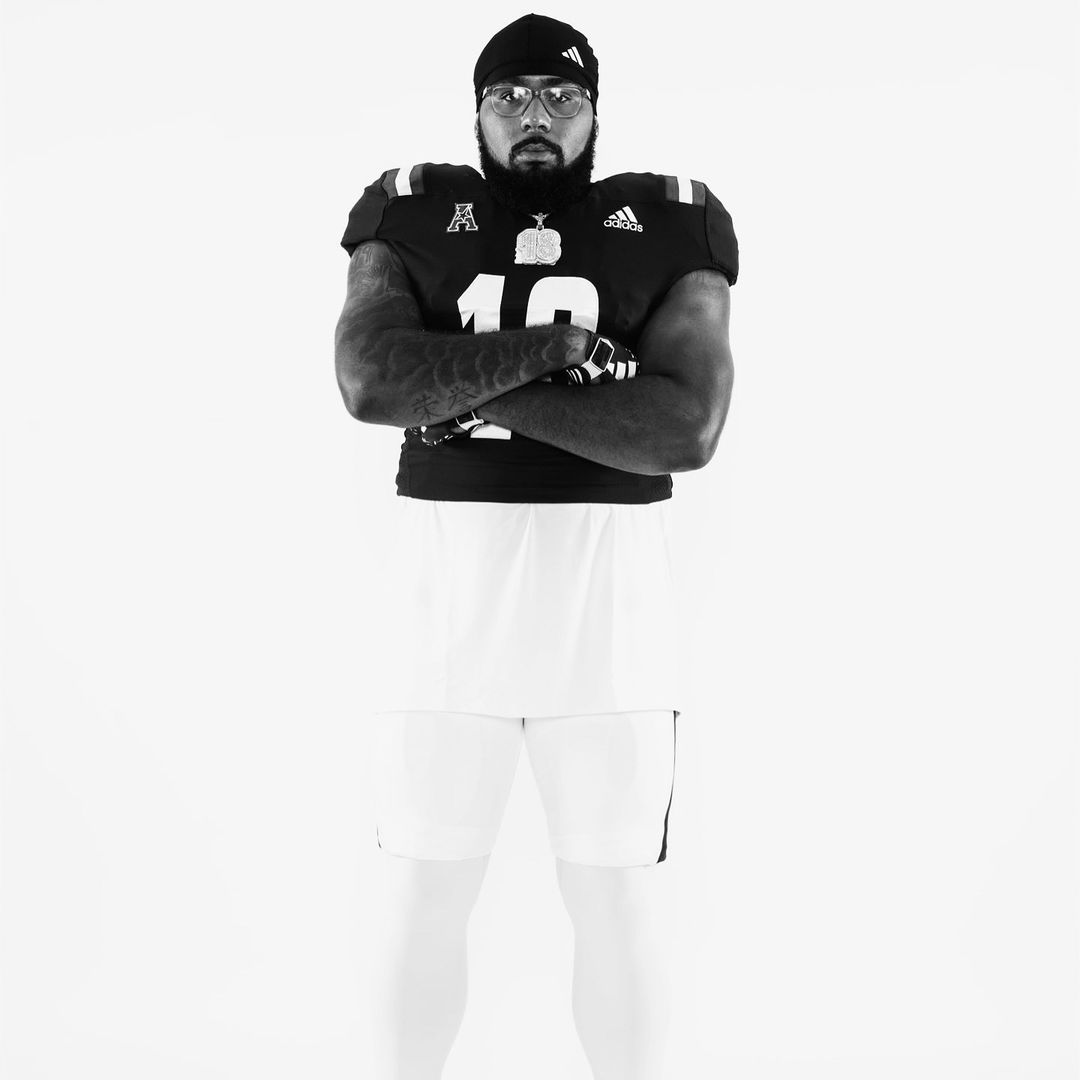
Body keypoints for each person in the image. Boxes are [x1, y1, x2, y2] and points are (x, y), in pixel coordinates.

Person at [334, 13, 738, 1079]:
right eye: (508, 96)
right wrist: (560, 354)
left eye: (561, 97)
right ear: (475, 112)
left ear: (596, 112)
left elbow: (684, 428)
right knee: (423, 891)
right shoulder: (409, 210)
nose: (534, 116)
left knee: (616, 899)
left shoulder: (675, 219)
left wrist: (463, 389)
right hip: (444, 599)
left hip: (608, 604)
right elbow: (370, 383)